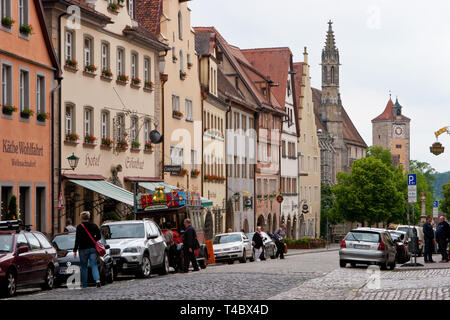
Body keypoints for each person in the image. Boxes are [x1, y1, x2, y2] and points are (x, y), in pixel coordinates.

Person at [73, 211, 101, 288]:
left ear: (81, 218)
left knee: (84, 267)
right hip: (92, 248)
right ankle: (97, 280)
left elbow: (77, 239)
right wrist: (94, 239)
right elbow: (99, 236)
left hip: (83, 249)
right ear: (89, 217)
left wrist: (75, 250)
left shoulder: (79, 227)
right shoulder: (94, 225)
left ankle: (84, 284)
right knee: (94, 265)